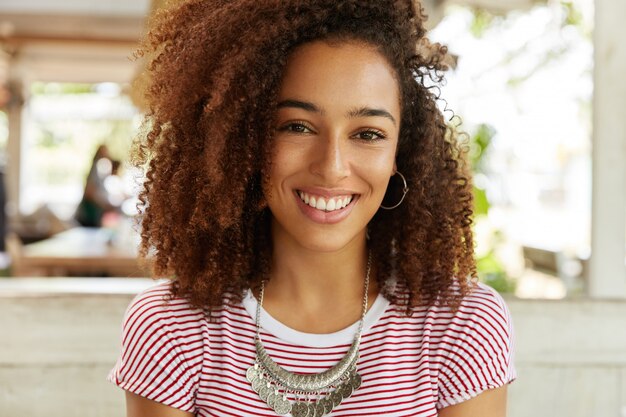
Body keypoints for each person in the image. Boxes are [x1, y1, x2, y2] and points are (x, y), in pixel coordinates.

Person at [108, 1, 516, 416]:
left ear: (400, 154)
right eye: (297, 127)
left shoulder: (460, 324)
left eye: (368, 133)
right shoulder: (172, 326)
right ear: (244, 140)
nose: (332, 167)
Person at [74, 145, 118, 227]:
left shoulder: (101, 168)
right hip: (88, 215)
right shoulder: (96, 168)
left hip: (94, 215)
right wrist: (104, 205)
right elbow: (89, 192)